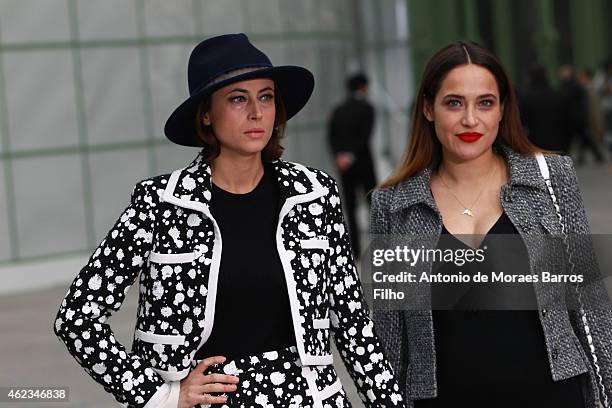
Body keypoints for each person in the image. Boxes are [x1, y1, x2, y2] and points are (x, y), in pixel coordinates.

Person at [53, 34, 405, 408]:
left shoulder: (315, 195)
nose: (256, 112)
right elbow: (77, 317)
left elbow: (353, 326)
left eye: (266, 96)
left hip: (311, 399)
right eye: (238, 98)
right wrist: (160, 395)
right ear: (206, 113)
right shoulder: (161, 204)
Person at [371, 41, 612, 407]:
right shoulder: (393, 205)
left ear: (502, 110)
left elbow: (589, 303)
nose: (471, 119)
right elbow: (390, 336)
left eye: (485, 102)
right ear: (428, 108)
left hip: (550, 396)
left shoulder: (551, 179)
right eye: (454, 102)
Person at [328, 72, 377, 257]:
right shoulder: (368, 108)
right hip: (363, 164)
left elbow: (331, 136)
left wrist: (339, 156)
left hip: (344, 167)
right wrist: (351, 155)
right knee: (373, 205)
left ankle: (355, 249)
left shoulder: (338, 110)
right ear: (363, 87)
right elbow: (365, 136)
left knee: (350, 207)